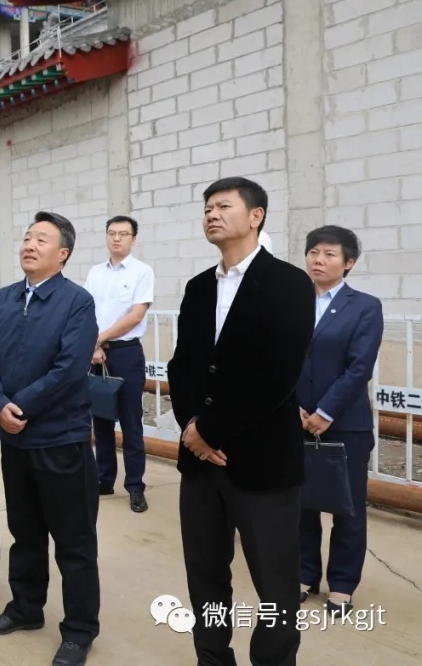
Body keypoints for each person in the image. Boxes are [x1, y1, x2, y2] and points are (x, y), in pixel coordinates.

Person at [167, 177, 314, 666]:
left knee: (275, 584)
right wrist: (192, 426)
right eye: (207, 207)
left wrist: (209, 431)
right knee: (205, 574)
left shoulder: (288, 283)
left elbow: (277, 374)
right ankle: (212, 657)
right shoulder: (198, 287)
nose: (211, 214)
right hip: (200, 463)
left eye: (223, 206)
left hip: (263, 461)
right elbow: (181, 366)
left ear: (256, 216)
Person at [0, 211, 100, 666]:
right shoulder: (5, 298)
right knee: (24, 533)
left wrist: (19, 407)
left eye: (41, 239)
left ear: (62, 254)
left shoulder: (77, 302)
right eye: (27, 237)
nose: (29, 244)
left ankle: (79, 630)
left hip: (60, 440)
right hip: (15, 442)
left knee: (74, 543)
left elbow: (69, 370)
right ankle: (26, 609)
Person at [296, 226, 383, 618]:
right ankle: (303, 574)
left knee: (347, 507)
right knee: (301, 503)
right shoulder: (293, 303)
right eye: (314, 252)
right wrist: (294, 408)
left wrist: (325, 412)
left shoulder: (364, 306)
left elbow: (359, 366)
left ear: (348, 263)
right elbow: (278, 360)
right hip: (296, 420)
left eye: (330, 254)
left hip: (346, 423)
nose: (319, 260)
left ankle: (343, 584)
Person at [84, 215, 155, 513]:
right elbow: (86, 311)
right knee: (100, 419)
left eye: (123, 234)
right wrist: (94, 346)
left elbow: (135, 316)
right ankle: (104, 480)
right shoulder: (95, 273)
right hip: (96, 353)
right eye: (112, 233)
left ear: (133, 239)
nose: (116, 238)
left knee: (130, 421)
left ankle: (135, 486)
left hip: (126, 354)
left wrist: (98, 340)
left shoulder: (142, 272)